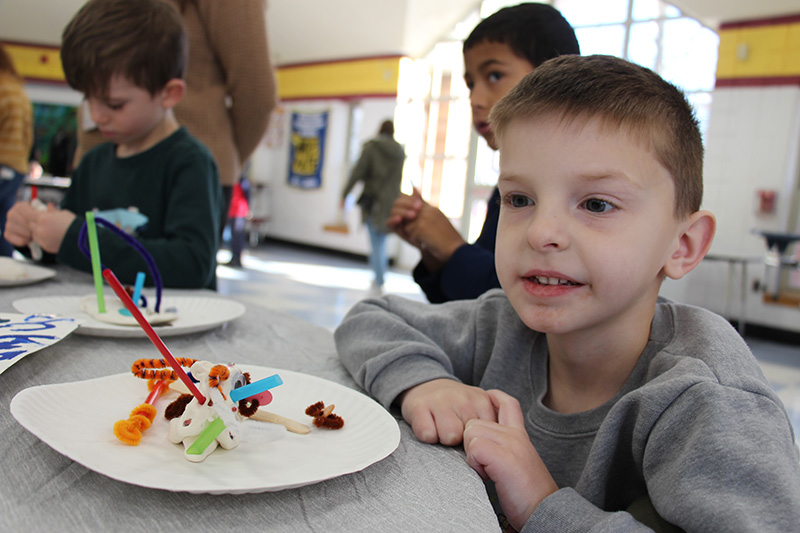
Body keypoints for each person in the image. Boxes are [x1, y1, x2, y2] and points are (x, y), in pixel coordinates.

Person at [335, 55, 800, 531]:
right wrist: (424, 384)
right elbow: (371, 320)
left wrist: (543, 506)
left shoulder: (706, 400)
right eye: (520, 200)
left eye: (596, 204)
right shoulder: (502, 326)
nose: (542, 232)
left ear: (681, 246)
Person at [4, 0, 222, 289]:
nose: (96, 115)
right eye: (88, 98)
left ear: (169, 94)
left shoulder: (189, 161)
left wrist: (77, 239)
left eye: (114, 104)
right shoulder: (93, 163)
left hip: (168, 328)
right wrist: (34, 235)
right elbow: (67, 252)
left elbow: (193, 265)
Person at [387, 4, 579, 303]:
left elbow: (532, 302)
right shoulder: (512, 181)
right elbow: (477, 310)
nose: (475, 99)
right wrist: (435, 252)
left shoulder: (578, 182)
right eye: (470, 83)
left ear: (554, 77)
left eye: (494, 75)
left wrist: (454, 249)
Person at [74, 0, 277, 232]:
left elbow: (256, 93)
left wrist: (208, 167)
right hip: (106, 165)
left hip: (185, 171)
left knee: (168, 262)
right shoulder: (95, 160)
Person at [342, 119, 405, 290]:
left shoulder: (371, 148)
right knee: (381, 240)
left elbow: (357, 172)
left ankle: (378, 278)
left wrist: (345, 193)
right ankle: (380, 275)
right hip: (391, 202)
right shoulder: (399, 152)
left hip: (374, 200)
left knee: (375, 241)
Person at [0, 45, 33, 257]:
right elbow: (29, 136)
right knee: (6, 223)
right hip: (16, 165)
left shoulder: (2, 88)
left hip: (2, 161)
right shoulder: (18, 90)